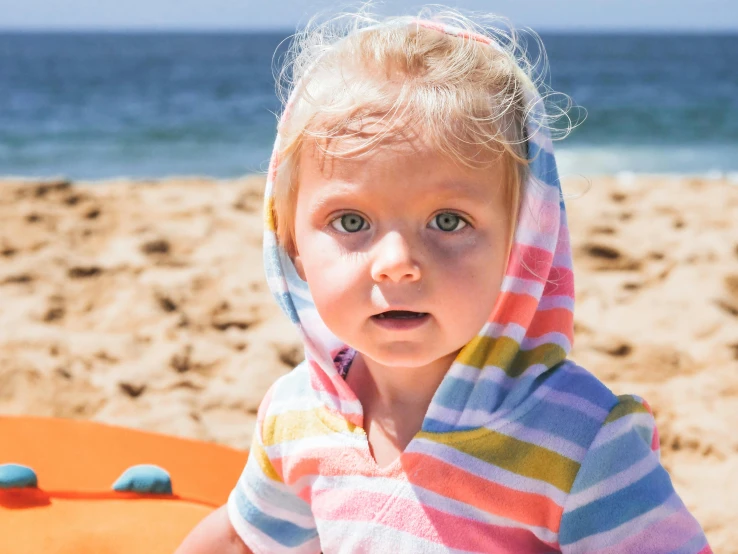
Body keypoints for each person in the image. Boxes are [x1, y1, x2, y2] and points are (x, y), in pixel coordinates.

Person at [176, 6, 712, 553]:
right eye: (351, 222)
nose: (397, 262)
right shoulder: (297, 416)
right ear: (290, 242)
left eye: (449, 221)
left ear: (523, 245)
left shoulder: (579, 443)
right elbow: (246, 537)